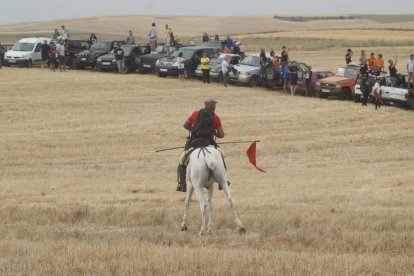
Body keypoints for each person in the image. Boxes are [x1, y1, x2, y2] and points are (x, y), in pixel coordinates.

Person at [176, 97, 225, 192]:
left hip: (194, 142)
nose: (215, 106)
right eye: (214, 104)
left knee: (182, 159)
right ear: (210, 105)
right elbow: (221, 135)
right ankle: (223, 182)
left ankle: (182, 184)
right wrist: (212, 133)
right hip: (208, 143)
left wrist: (195, 131)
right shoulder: (215, 117)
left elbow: (185, 125)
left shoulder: (195, 113)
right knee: (221, 156)